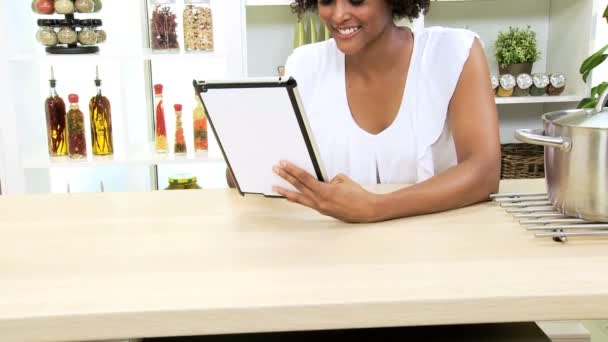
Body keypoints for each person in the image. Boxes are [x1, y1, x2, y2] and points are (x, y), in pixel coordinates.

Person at [264, 0, 501, 223]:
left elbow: (484, 172)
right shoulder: (305, 64)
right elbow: (269, 168)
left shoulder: (453, 52)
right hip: (335, 247)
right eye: (326, 0)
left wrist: (375, 207)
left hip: (440, 245)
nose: (338, 15)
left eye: (357, 0)